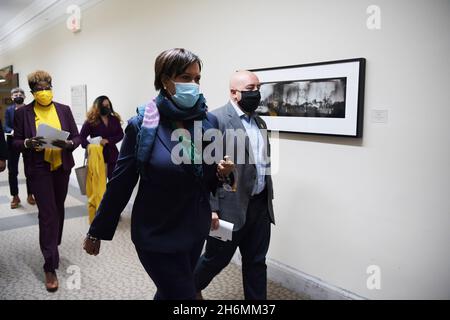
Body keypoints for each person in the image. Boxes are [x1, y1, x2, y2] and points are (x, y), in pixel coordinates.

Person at [83, 48, 234, 300]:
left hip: (194, 229)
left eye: (197, 79)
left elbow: (210, 178)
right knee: (184, 295)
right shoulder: (141, 125)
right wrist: (97, 230)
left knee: (169, 293)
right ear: (165, 80)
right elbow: (121, 183)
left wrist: (223, 173)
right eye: (186, 78)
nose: (194, 85)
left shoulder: (208, 122)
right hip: (156, 234)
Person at [194, 70, 276, 300]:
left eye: (258, 88)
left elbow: (261, 162)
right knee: (215, 259)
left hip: (259, 206)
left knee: (256, 262)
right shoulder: (215, 119)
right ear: (234, 93)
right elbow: (205, 168)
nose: (257, 93)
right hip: (228, 208)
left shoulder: (259, 121)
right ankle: (188, 289)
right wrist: (211, 208)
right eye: (251, 89)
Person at [13, 70, 81, 292]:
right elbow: (14, 142)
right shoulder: (23, 113)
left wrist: (69, 144)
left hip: (61, 167)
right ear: (32, 91)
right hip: (39, 168)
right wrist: (27, 143)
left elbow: (77, 136)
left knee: (58, 210)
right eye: (39, 89)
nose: (44, 92)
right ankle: (49, 264)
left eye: (47, 88)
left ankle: (53, 244)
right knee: (48, 213)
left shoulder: (64, 109)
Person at [4, 87, 36, 208]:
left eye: (20, 93)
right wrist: (10, 131)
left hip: (27, 143)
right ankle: (15, 196)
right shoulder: (9, 110)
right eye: (15, 94)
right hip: (12, 143)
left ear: (24, 96)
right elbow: (5, 125)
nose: (18, 95)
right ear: (12, 97)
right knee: (12, 171)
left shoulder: (31, 109)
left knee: (30, 169)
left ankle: (30, 194)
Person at [80, 96, 124, 180]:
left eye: (108, 105)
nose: (106, 107)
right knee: (99, 187)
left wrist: (108, 140)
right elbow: (81, 138)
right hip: (97, 157)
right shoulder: (90, 121)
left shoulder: (114, 119)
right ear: (97, 107)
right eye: (103, 106)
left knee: (113, 184)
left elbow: (121, 134)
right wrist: (91, 145)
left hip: (113, 156)